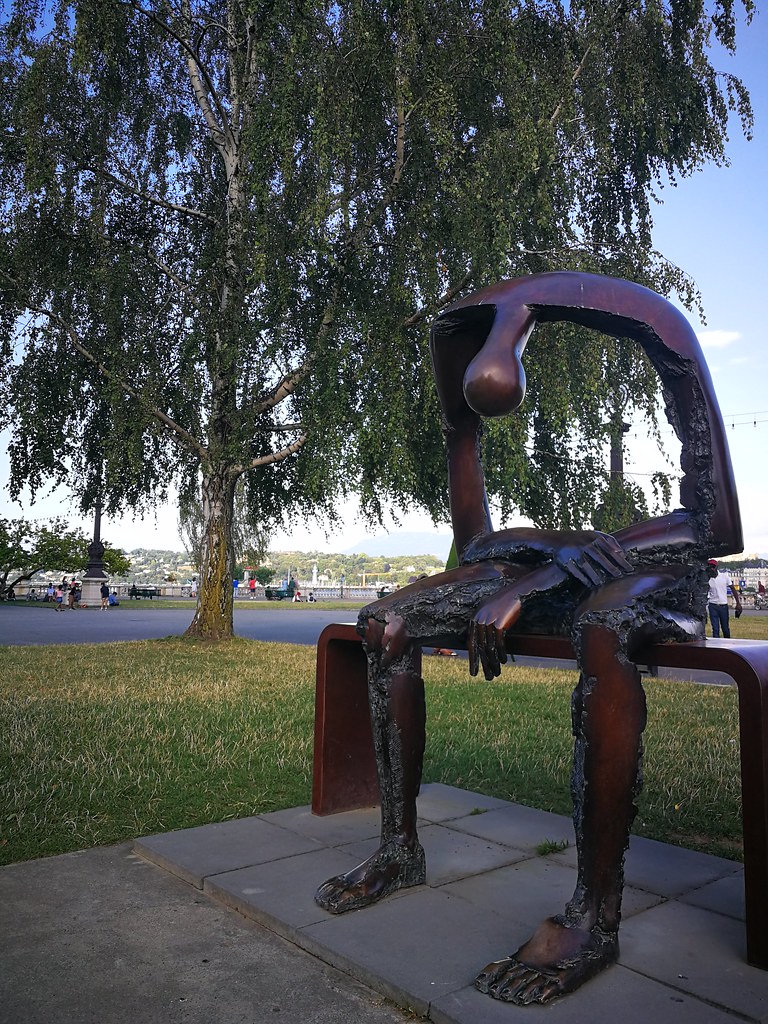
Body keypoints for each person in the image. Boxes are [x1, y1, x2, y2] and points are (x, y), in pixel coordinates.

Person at [314, 272, 743, 1006]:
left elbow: (717, 526)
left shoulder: (660, 325)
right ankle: (398, 849)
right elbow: (476, 542)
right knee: (383, 624)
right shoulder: (462, 338)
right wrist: (524, 543)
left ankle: (593, 915)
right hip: (543, 564)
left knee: (603, 625)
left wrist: (541, 581)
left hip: (654, 570)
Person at [707, 559, 742, 637]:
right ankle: (716, 644)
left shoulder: (724, 577)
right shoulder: (708, 579)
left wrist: (738, 603)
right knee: (715, 629)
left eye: (713, 567)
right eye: (709, 567)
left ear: (716, 567)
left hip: (723, 606)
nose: (711, 569)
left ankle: (726, 643)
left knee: (725, 628)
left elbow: (733, 589)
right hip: (713, 606)